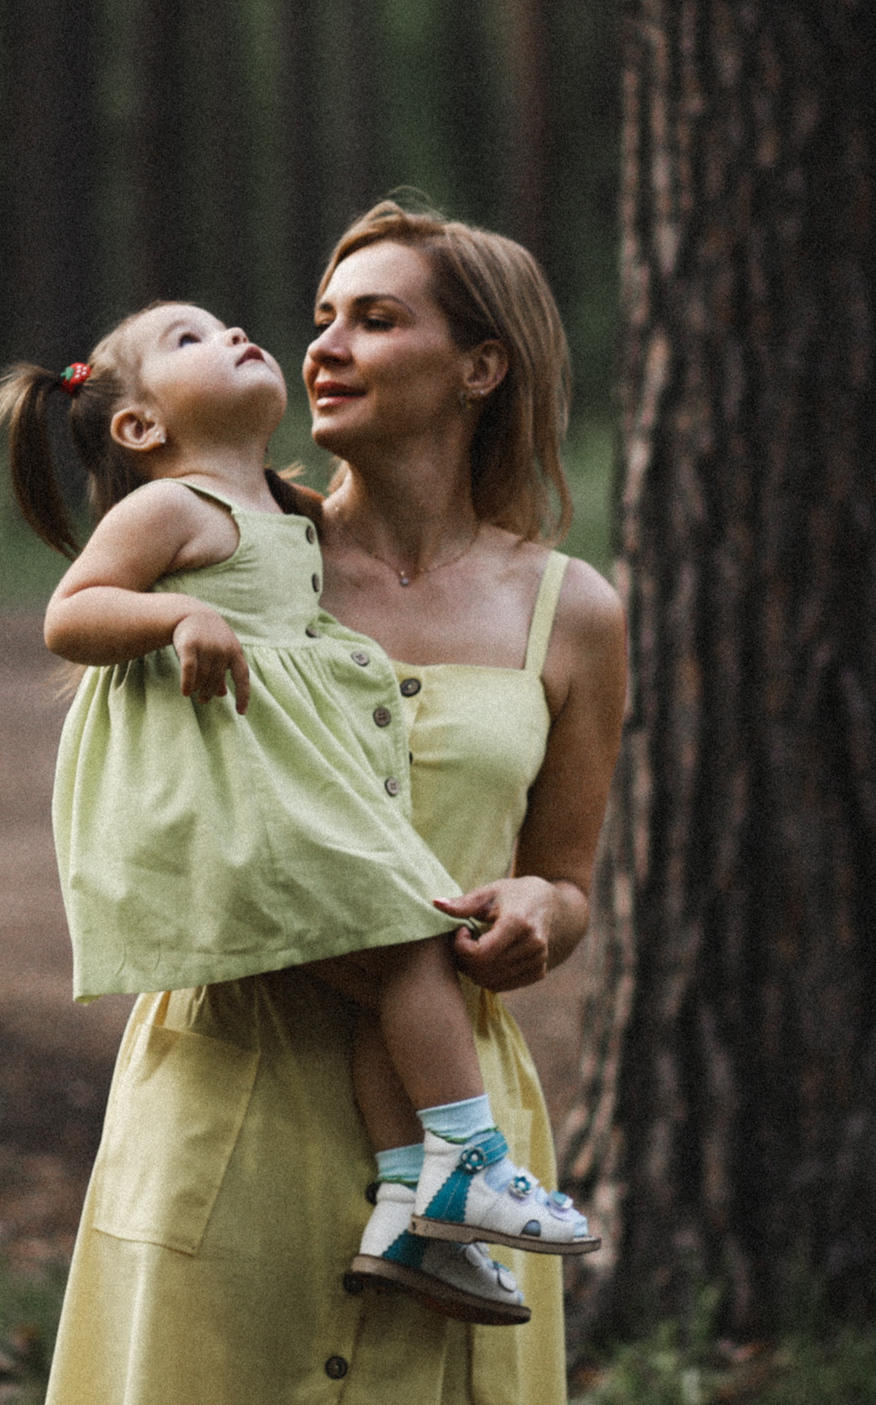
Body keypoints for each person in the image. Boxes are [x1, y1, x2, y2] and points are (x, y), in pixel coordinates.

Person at [45, 203, 626, 1404]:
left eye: (374, 318)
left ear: (481, 366)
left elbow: (568, 881)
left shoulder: (573, 614)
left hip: (452, 1103)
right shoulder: (237, 562)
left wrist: (538, 909)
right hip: (232, 1101)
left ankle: (447, 1182)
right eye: (322, 319)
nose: (324, 344)